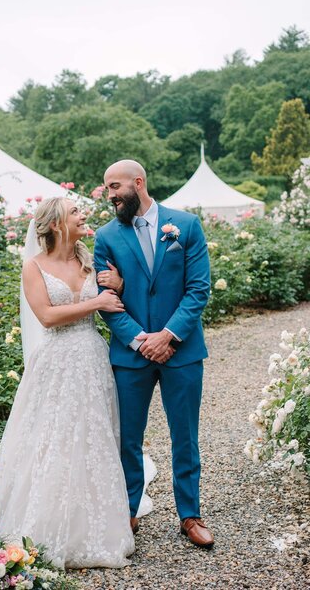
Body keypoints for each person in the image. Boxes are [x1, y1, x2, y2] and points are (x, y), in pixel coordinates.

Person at [0, 197, 135, 569]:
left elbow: (115, 300)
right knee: (54, 438)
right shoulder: (34, 267)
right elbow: (46, 316)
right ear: (56, 223)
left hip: (92, 358)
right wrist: (97, 303)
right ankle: (49, 522)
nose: (83, 214)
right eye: (75, 211)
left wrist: (118, 286)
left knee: (94, 437)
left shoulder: (90, 260)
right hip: (55, 362)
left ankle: (99, 524)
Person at [94, 159, 214, 548]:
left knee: (185, 435)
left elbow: (198, 290)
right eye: (107, 189)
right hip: (132, 355)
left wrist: (169, 336)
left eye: (114, 187)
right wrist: (142, 339)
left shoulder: (186, 225)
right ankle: (128, 511)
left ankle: (190, 515)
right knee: (128, 437)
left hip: (182, 350)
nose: (109, 195)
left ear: (138, 182)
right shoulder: (106, 237)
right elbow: (106, 300)